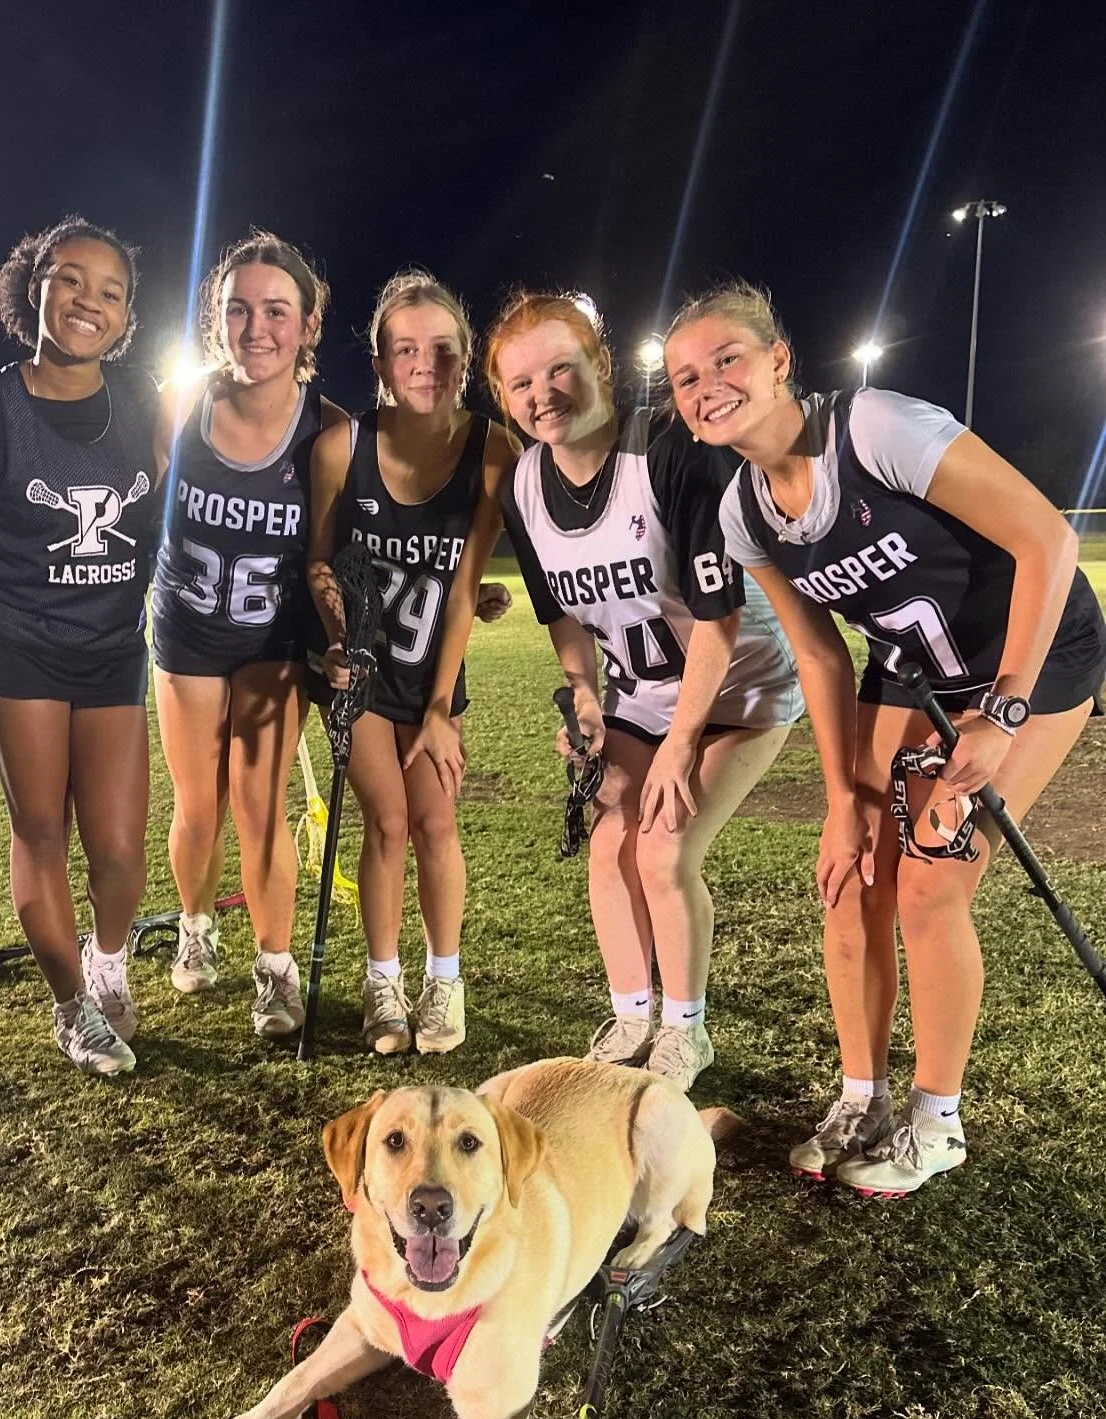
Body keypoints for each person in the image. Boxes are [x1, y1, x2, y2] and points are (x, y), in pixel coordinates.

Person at [663, 281, 1106, 1187]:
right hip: (916, 673)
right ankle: (861, 1097)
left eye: (727, 360)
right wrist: (842, 801)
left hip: (1034, 656)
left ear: (779, 361)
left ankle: (936, 1121)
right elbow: (820, 657)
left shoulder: (874, 429)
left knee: (931, 886)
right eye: (685, 379)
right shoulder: (744, 512)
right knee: (851, 871)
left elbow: (1048, 542)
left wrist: (1004, 711)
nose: (708, 387)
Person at [486, 291, 801, 1090]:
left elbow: (718, 624)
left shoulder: (668, 453)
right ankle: (631, 1016)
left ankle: (686, 1030)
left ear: (601, 363)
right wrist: (583, 695)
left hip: (736, 686)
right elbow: (562, 614)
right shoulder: (523, 486)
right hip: (642, 693)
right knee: (608, 844)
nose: (543, 394)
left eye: (560, 368)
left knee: (662, 848)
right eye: (521, 383)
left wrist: (681, 744)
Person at [0, 217, 162, 1078]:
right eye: (69, 279)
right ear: (34, 285)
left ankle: (106, 960)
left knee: (120, 849)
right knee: (41, 828)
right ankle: (73, 1007)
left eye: (110, 291)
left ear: (127, 316)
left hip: (112, 644)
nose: (86, 301)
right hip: (16, 642)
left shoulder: (144, 399)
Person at [308, 271, 514, 1055]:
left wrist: (438, 708)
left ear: (467, 356)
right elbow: (319, 561)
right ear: (381, 364)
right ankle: (383, 982)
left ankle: (444, 980)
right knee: (387, 822)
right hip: (360, 670)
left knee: (435, 822)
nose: (427, 364)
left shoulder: (492, 448)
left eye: (444, 348)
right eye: (407, 350)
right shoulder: (341, 447)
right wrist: (336, 634)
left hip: (434, 672)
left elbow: (463, 586)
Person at [151, 230, 342, 1040]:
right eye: (238, 309)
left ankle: (276, 967)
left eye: (275, 311)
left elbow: (348, 549)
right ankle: (196, 925)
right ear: (216, 318)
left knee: (261, 807)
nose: (255, 328)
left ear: (308, 324)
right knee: (199, 806)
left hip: (273, 642)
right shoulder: (179, 403)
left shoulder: (328, 429)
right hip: (187, 632)